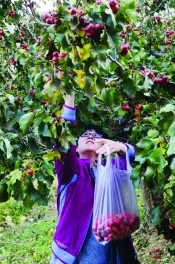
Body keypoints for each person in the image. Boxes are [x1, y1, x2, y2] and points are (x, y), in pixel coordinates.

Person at [50, 94, 140, 264]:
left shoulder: (114, 166)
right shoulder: (71, 170)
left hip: (113, 252)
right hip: (75, 252)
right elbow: (62, 141)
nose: (91, 136)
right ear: (75, 148)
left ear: (105, 143)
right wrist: (69, 101)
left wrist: (121, 147)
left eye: (97, 135)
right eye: (85, 135)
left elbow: (141, 157)